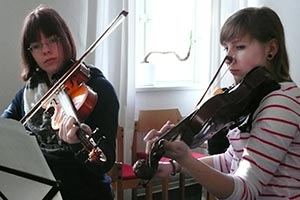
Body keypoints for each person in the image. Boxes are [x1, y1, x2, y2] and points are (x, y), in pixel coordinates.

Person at [143, 7, 300, 199]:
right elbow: (231, 160)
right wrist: (174, 166)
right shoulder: (257, 98)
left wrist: (186, 158)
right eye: (226, 48)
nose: (228, 58)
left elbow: (246, 191)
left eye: (240, 47)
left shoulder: (280, 105)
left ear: (271, 49)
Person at [1, 5, 119, 200]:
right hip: (40, 193)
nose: (46, 50)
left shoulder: (98, 89)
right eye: (36, 45)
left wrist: (77, 144)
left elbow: (105, 163)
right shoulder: (29, 93)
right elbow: (4, 129)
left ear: (64, 39)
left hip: (85, 193)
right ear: (30, 53)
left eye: (52, 40)